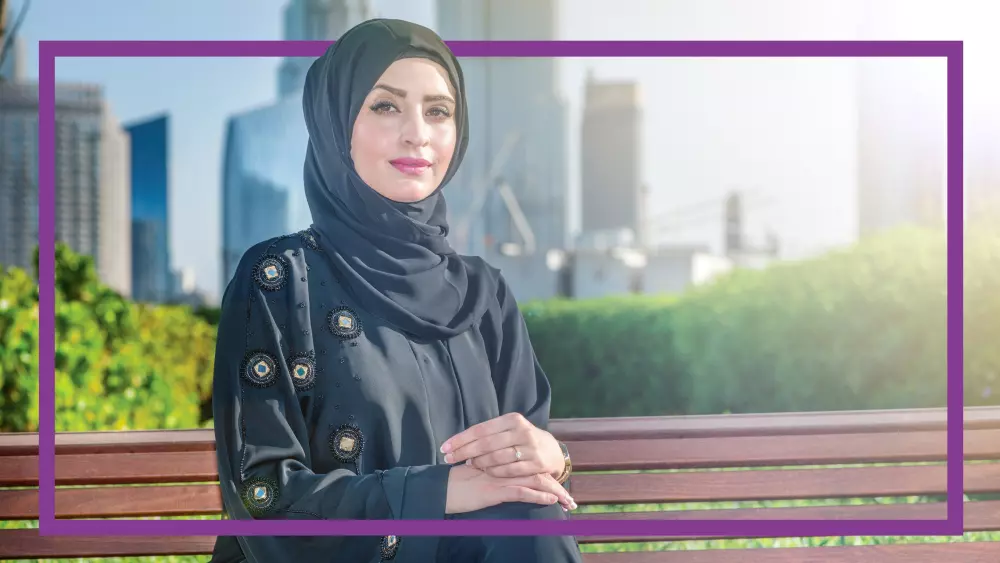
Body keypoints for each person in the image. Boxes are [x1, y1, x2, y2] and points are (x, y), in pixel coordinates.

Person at [209, 17, 585, 563]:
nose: (418, 134)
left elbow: (530, 485)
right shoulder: (279, 280)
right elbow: (262, 492)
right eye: (386, 106)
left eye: (438, 111)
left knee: (530, 518)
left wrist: (553, 455)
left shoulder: (485, 295)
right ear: (336, 125)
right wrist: (434, 493)